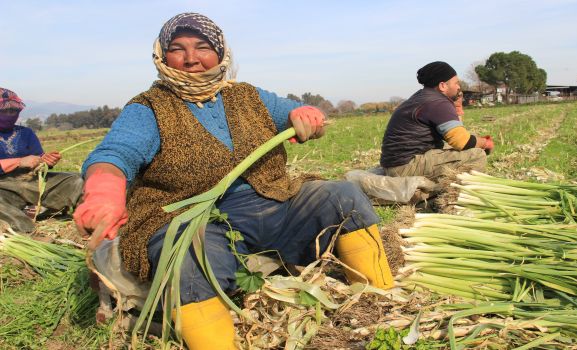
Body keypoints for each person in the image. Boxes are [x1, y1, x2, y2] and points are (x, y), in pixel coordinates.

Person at [73, 12, 393, 350]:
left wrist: (306, 115)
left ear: (221, 52)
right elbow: (114, 154)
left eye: (202, 47)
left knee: (341, 195)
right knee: (188, 254)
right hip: (191, 218)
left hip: (271, 202)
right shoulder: (148, 108)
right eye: (178, 49)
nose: (191, 58)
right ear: (161, 55)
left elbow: (293, 111)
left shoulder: (247, 97)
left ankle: (379, 299)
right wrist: (104, 192)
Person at [380, 61, 493, 181]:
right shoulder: (438, 103)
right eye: (456, 83)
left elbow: (457, 135)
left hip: (396, 164)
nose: (459, 87)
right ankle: (437, 191)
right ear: (443, 86)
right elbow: (462, 142)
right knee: (477, 155)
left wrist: (458, 109)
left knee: (463, 147)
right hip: (405, 167)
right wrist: (485, 143)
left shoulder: (424, 97)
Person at [0, 88, 83, 232]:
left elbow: (39, 160)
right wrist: (19, 161)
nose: (8, 115)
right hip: (4, 188)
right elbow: (22, 161)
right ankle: (25, 230)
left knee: (78, 180)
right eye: (3, 111)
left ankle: (87, 217)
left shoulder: (26, 133)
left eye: (12, 111)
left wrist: (46, 161)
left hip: (31, 182)